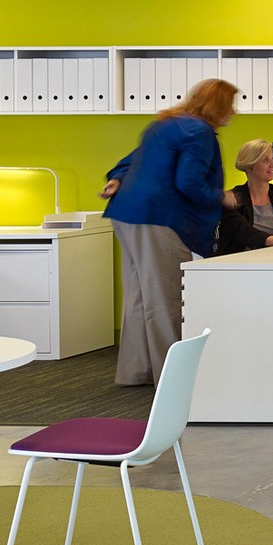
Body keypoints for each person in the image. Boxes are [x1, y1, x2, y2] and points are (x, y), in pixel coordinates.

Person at [99, 78, 236, 386]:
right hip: (160, 217)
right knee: (166, 298)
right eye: (230, 105)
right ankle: (172, 378)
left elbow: (132, 160)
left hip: (127, 214)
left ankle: (137, 371)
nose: (234, 112)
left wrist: (118, 178)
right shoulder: (198, 131)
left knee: (139, 296)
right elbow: (188, 181)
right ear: (218, 106)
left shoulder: (165, 124)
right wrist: (221, 197)